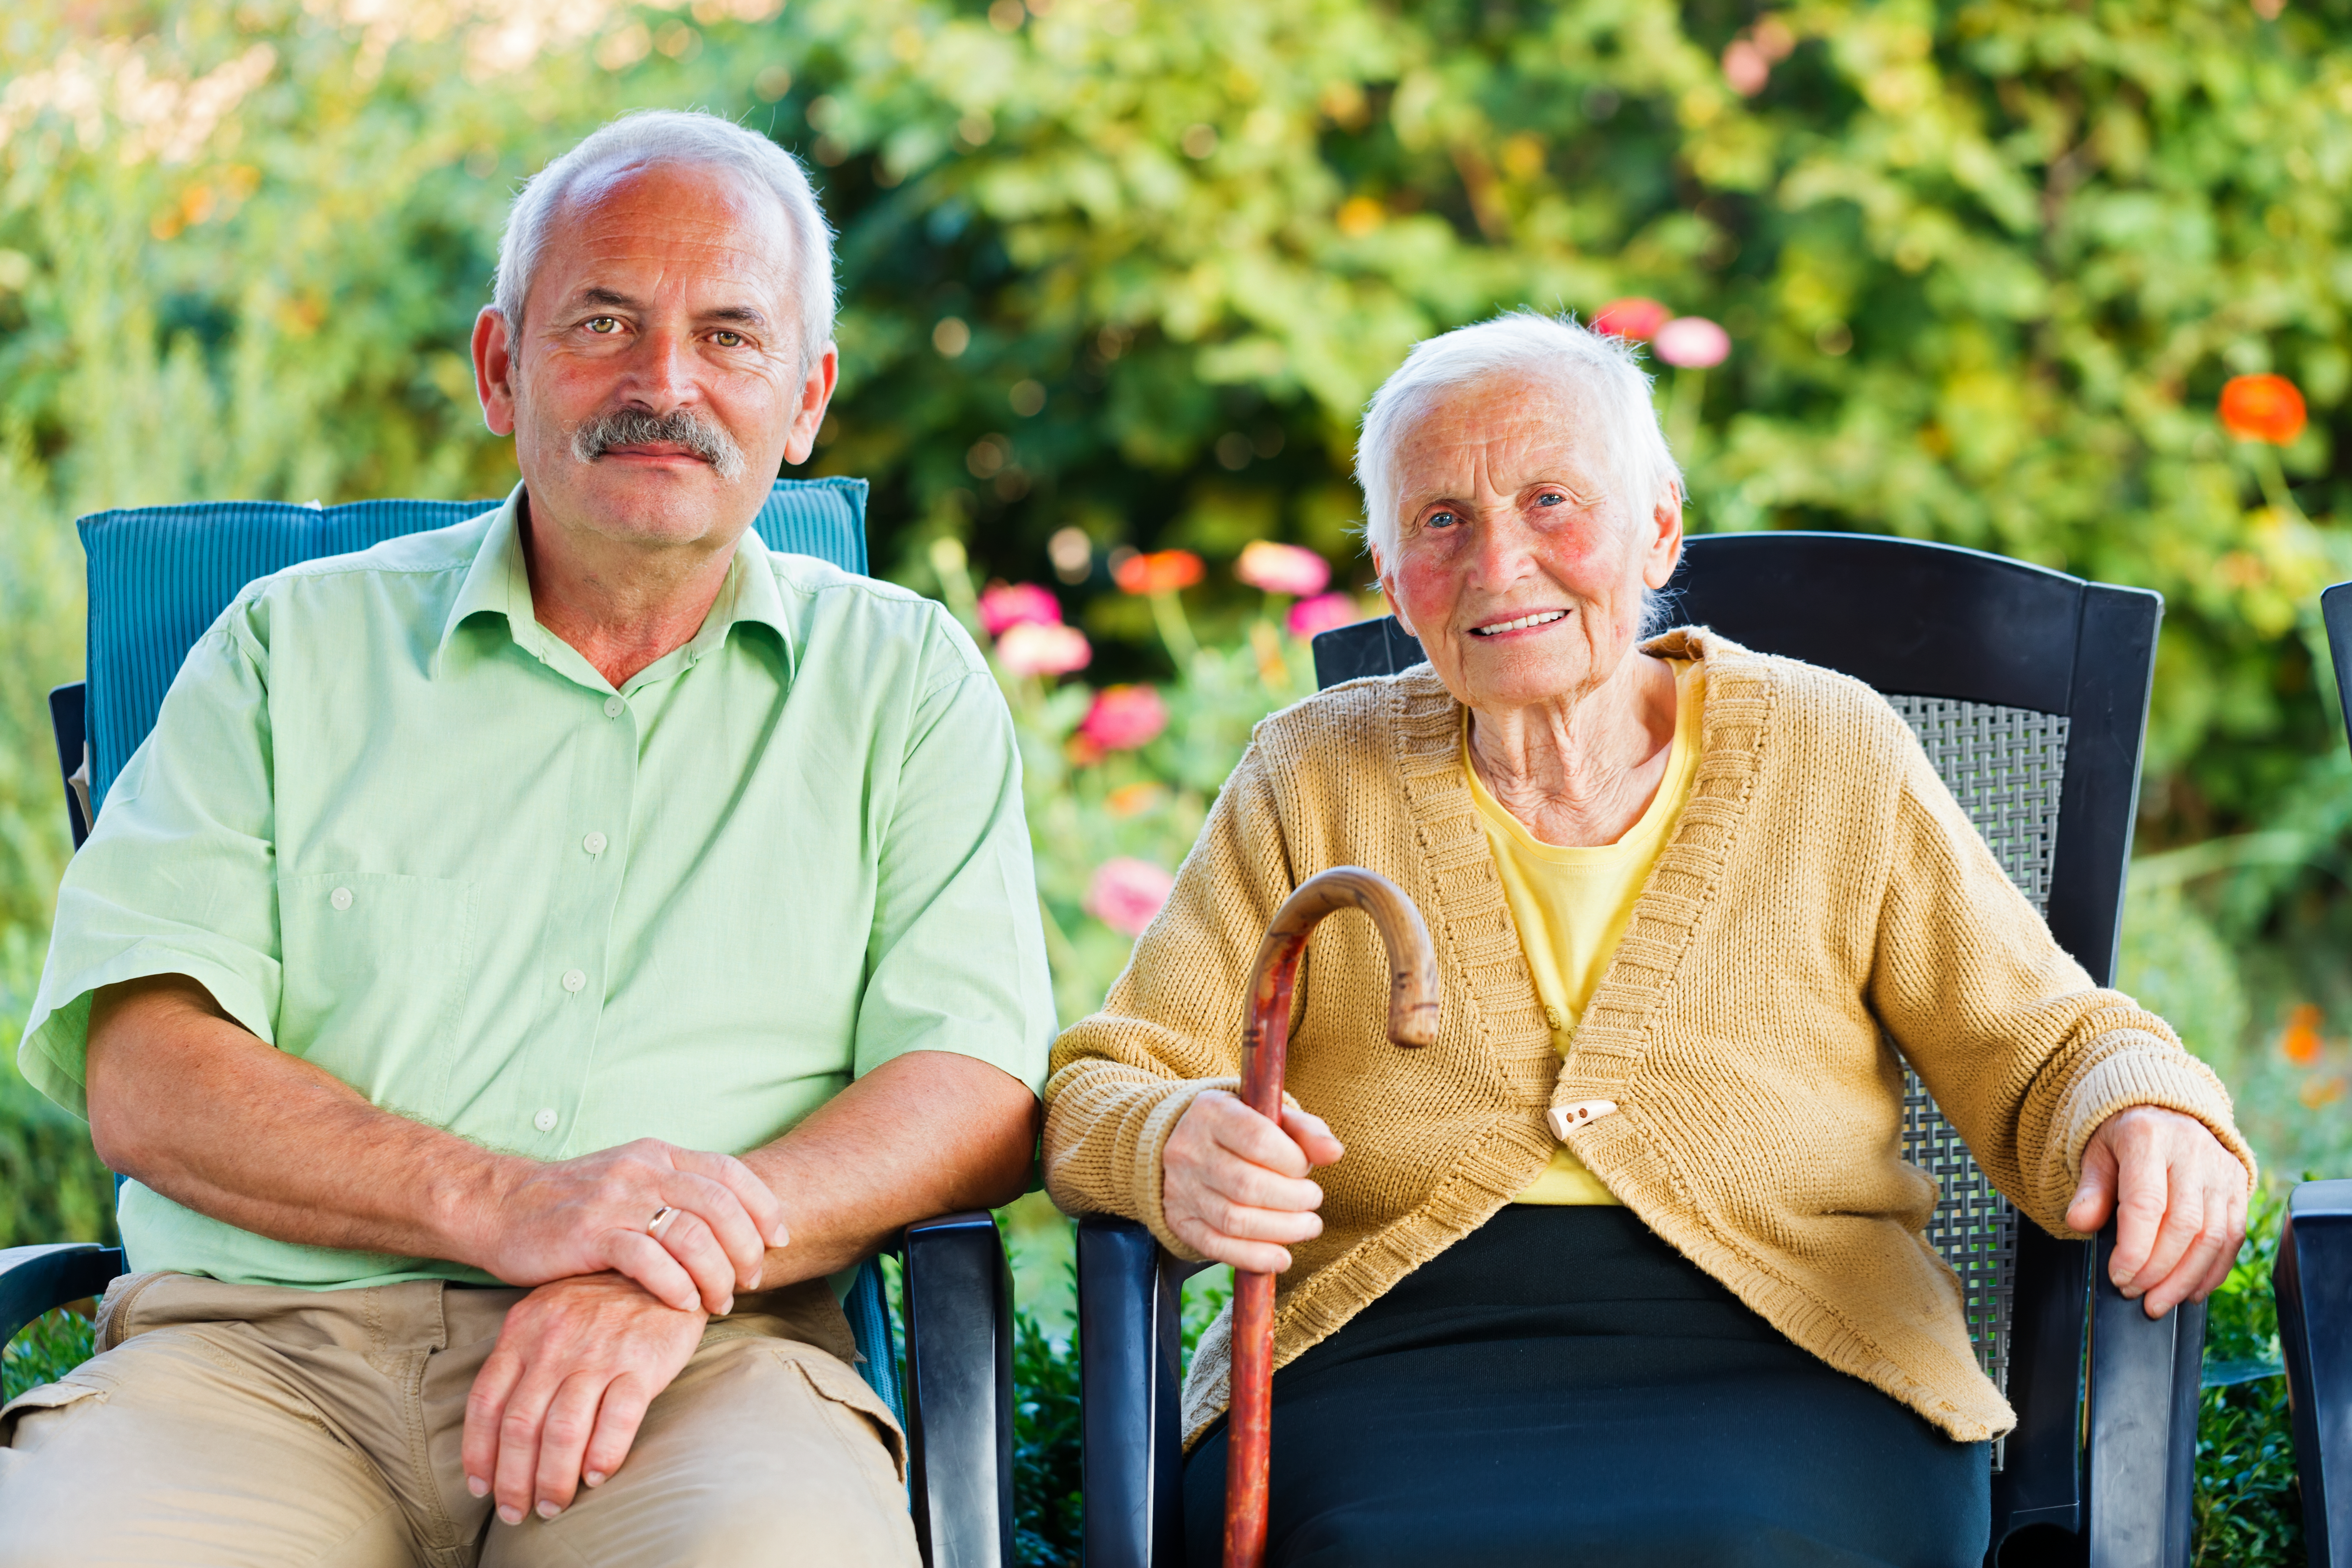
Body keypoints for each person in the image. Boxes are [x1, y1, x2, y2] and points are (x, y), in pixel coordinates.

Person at [0, 110, 1054, 1568]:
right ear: (502, 368)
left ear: (804, 399)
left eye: (731, 337)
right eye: (603, 321)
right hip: (255, 1370)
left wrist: (672, 1265)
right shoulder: (285, 648)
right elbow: (147, 1074)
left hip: (700, 1374)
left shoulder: (907, 680)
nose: (664, 383)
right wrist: (516, 1207)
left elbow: (976, 1082)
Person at [1043, 311, 2254, 1567]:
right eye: (1441, 520)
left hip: (1799, 1356)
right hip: (1383, 1359)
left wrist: (2142, 1106)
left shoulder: (1825, 747)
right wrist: (1168, 1138)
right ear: (1392, 577)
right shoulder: (1308, 770)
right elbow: (1105, 1080)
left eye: (1553, 500)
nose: (1501, 564)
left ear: (1660, 526)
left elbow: (2039, 1035)